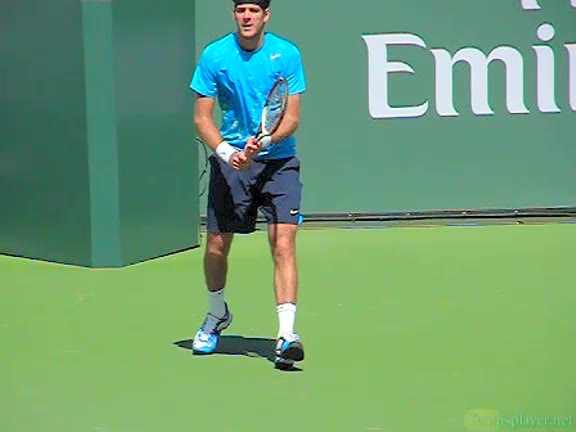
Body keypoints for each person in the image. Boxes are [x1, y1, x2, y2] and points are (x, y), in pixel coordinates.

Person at [189, 0, 306, 369]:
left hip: (279, 162)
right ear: (234, 15)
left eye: (254, 10)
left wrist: (266, 141)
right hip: (232, 162)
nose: (247, 17)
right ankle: (216, 314)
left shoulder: (287, 55)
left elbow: (291, 118)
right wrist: (227, 153)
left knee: (283, 243)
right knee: (216, 248)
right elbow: (201, 118)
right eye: (241, 10)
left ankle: (286, 335)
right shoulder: (215, 55)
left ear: (266, 15)